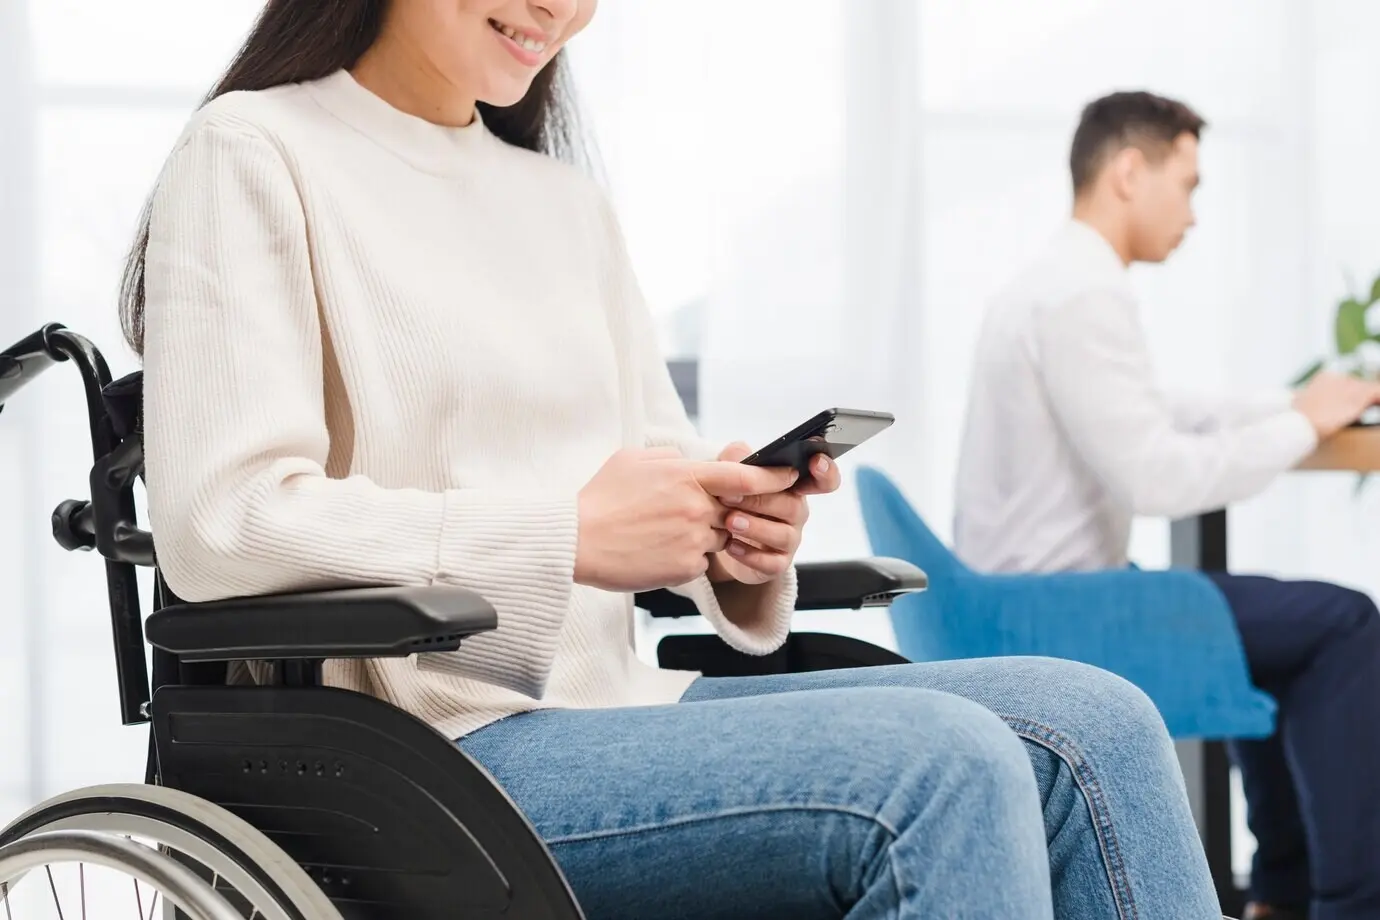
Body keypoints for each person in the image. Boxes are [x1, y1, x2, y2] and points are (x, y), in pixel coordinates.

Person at [129, 4, 1225, 917]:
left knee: (1103, 721)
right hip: (426, 747)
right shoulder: (255, 152)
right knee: (948, 766)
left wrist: (732, 543)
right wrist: (566, 533)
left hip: (623, 706)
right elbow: (222, 517)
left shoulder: (561, 202)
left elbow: (651, 464)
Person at [954, 89, 1380, 920]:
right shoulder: (1083, 295)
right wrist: (1301, 424)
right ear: (1127, 172)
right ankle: (1351, 904)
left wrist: (1290, 406)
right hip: (1063, 609)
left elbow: (1154, 409)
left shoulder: (1054, 281)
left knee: (1284, 638)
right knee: (1345, 625)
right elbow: (1157, 477)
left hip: (1022, 595)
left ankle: (1282, 899)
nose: (1192, 212)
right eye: (1187, 184)